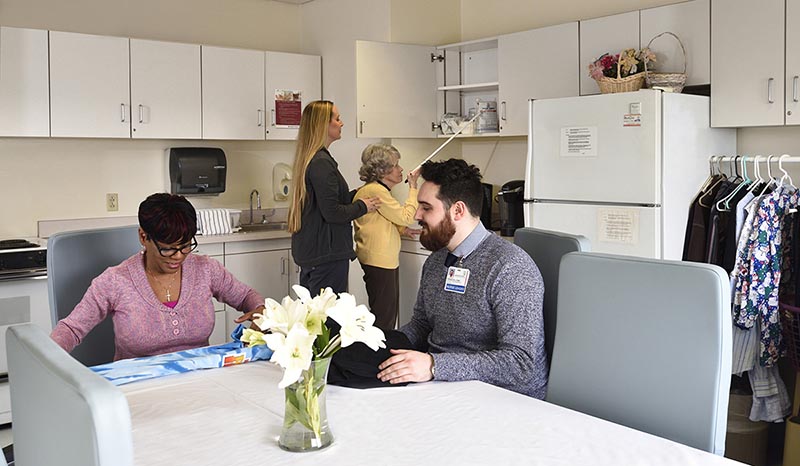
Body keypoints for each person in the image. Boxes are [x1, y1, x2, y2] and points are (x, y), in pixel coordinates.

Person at [376, 159, 548, 399]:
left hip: (501, 397)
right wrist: (378, 343)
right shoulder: (437, 260)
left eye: (426, 208)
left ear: (458, 211)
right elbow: (422, 325)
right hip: (443, 385)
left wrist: (434, 365)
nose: (416, 215)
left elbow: (521, 364)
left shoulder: (509, 268)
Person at [50, 193, 267, 361]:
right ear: (143, 237)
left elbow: (246, 296)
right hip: (140, 385)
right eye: (168, 248)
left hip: (199, 379)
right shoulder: (115, 281)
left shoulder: (206, 269)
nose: (179, 256)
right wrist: (47, 360)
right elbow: (71, 329)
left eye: (186, 246)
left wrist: (261, 311)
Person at [288, 100, 381, 294]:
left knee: (312, 312)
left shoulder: (311, 159)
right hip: (326, 256)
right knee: (328, 312)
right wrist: (363, 206)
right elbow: (332, 212)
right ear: (323, 124)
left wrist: (359, 193)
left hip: (314, 254)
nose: (341, 123)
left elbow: (328, 201)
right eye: (337, 119)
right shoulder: (321, 163)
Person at [353, 143, 421, 330]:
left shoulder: (375, 190)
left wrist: (401, 230)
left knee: (385, 314)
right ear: (382, 170)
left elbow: (381, 218)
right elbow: (406, 216)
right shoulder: (376, 191)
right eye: (395, 165)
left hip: (379, 259)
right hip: (380, 260)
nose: (401, 169)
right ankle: (381, 349)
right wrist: (413, 187)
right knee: (385, 318)